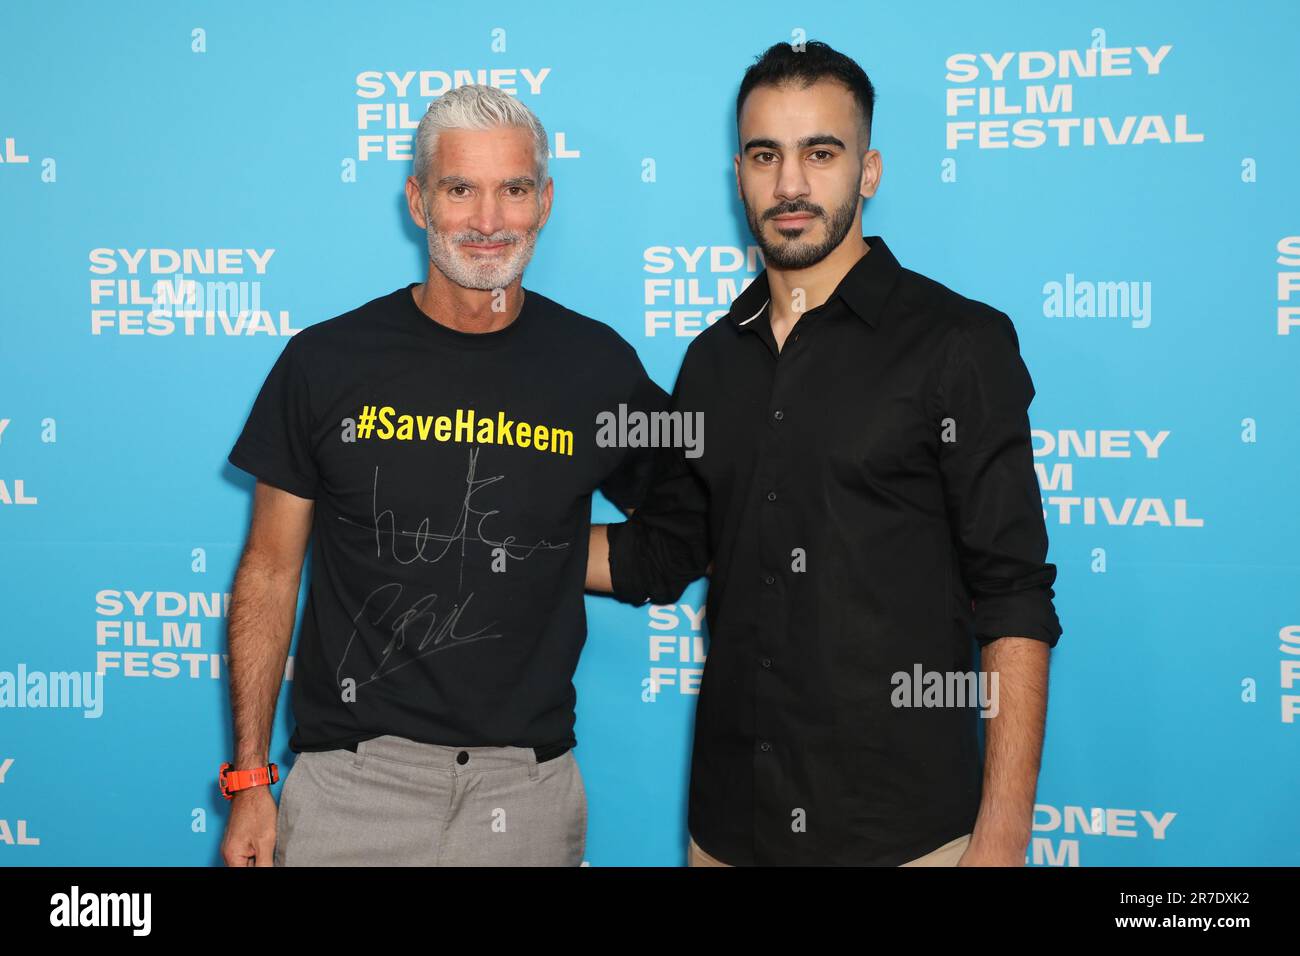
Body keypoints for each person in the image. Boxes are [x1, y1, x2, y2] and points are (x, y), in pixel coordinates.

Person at [588, 41, 1063, 866]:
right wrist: (494, 543)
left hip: (907, 838)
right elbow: (669, 552)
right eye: (766, 155)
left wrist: (1004, 834)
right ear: (738, 172)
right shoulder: (713, 359)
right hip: (729, 832)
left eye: (821, 152)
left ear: (868, 170)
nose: (792, 185)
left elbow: (1014, 594)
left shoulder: (959, 344)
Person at [219, 83, 665, 866]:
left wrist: (559, 549)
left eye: (513, 190)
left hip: (525, 794)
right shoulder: (325, 364)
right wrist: (251, 778)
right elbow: (269, 571)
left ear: (546, 202)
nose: (489, 222)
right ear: (418, 201)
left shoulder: (595, 368)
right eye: (461, 190)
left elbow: (695, 518)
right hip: (351, 790)